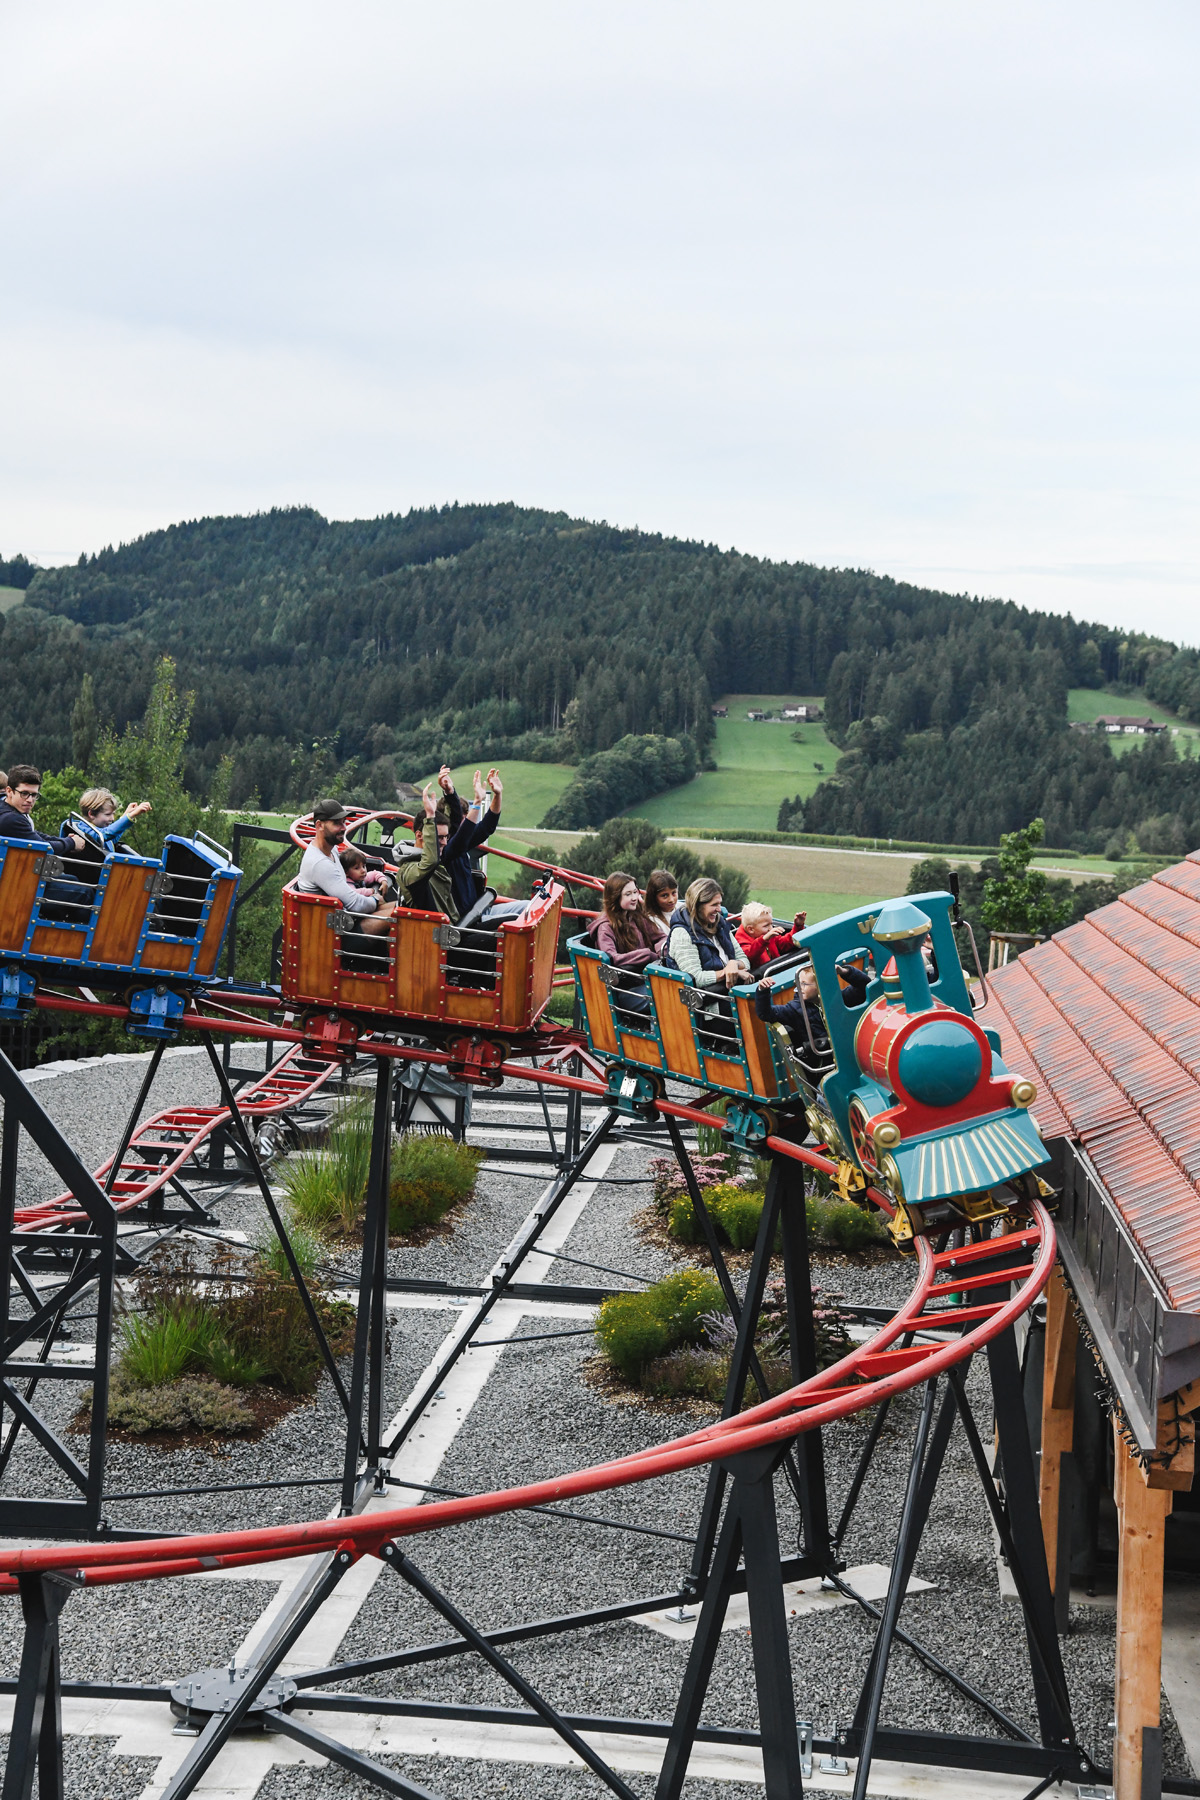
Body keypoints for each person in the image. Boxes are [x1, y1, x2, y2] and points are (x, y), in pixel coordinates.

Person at [297, 798, 407, 935]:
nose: (344, 828)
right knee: (402, 916)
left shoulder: (331, 850)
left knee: (405, 908)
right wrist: (374, 899)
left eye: (344, 822)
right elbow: (355, 904)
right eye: (337, 823)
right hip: (332, 931)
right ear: (319, 825)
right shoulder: (320, 863)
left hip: (344, 918)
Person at [435, 767, 504, 918]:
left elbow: (487, 827)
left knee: (527, 907)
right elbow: (461, 835)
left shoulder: (459, 844)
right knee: (519, 916)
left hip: (478, 911)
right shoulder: (445, 852)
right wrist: (477, 803)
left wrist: (497, 794)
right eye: (463, 819)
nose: (468, 823)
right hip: (469, 921)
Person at [663, 877, 750, 991]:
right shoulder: (682, 934)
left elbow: (745, 961)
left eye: (719, 904)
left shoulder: (720, 923)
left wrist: (734, 964)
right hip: (708, 1000)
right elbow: (694, 978)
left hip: (728, 990)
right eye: (714, 905)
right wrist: (729, 972)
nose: (719, 909)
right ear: (697, 906)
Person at [0, 766, 85, 857]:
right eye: (24, 793)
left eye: (34, 795)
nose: (30, 800)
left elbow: (32, 834)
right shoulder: (10, 819)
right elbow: (43, 848)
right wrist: (71, 842)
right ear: (9, 791)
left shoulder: (6, 807)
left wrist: (64, 840)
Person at [734, 901, 806, 970]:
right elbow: (750, 956)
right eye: (766, 926)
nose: (771, 928)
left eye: (771, 924)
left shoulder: (769, 935)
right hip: (761, 978)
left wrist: (797, 926)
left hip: (774, 968)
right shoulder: (741, 941)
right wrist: (764, 939)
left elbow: (784, 944)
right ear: (750, 929)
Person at [72, 787, 153, 847]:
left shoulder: (98, 828)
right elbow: (104, 835)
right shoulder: (83, 829)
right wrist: (131, 815)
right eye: (108, 814)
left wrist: (125, 816)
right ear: (91, 814)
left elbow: (112, 839)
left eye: (113, 814)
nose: (112, 818)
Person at [643, 869, 678, 942]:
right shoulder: (651, 920)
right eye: (665, 895)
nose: (671, 899)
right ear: (653, 897)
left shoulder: (683, 909)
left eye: (674, 893)